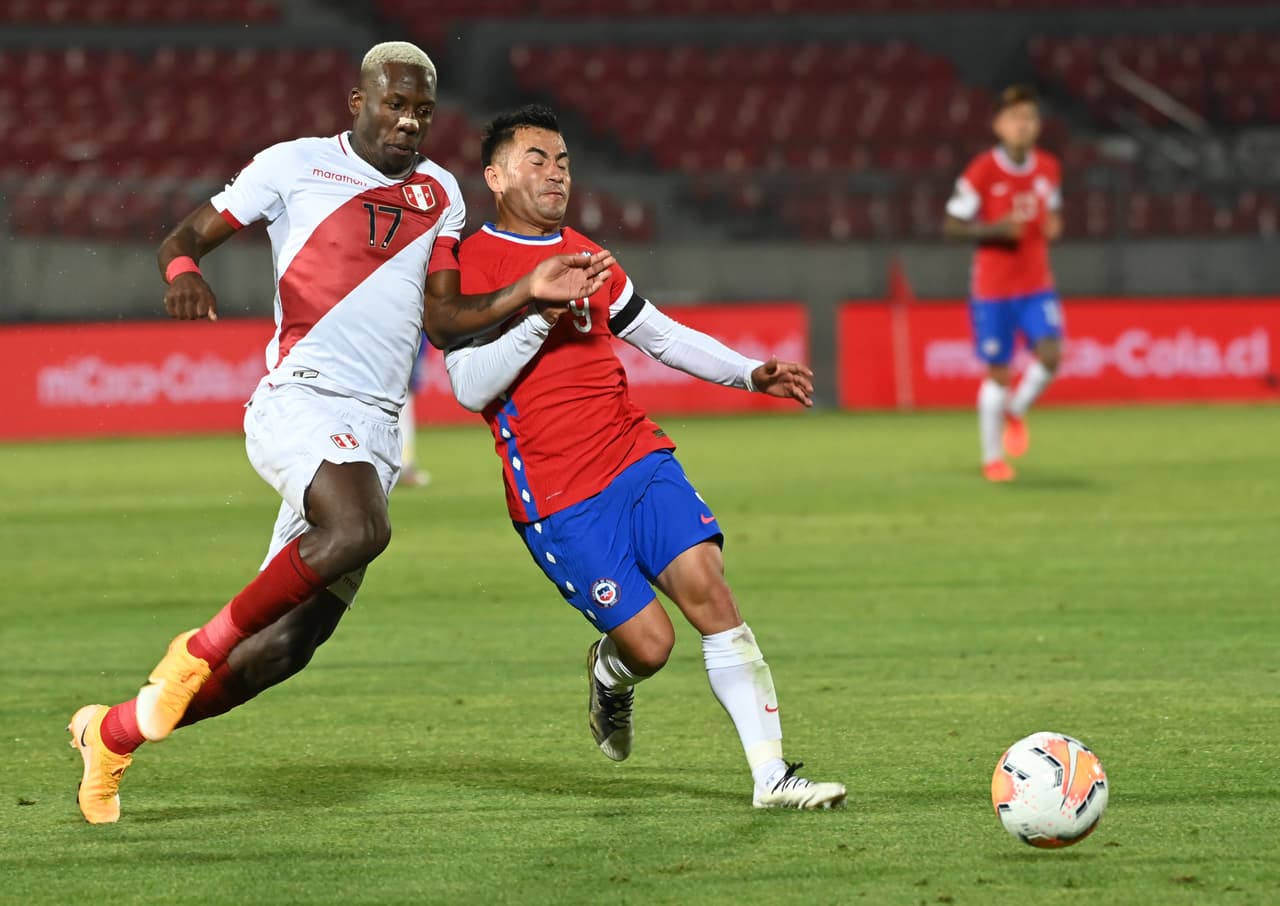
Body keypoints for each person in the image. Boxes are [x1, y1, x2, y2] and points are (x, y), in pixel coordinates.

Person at [68, 44, 614, 824]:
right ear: (355, 102)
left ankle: (112, 734)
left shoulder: (441, 194)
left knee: (283, 651)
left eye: (423, 110)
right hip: (304, 400)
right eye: (394, 104)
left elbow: (445, 321)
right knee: (360, 527)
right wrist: (183, 274)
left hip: (377, 430)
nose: (409, 122)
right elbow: (182, 237)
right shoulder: (291, 166)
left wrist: (526, 293)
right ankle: (194, 649)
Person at [445, 104, 846, 809]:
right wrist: (539, 310)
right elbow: (469, 387)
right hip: (559, 497)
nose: (555, 172)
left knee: (711, 591)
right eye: (536, 159)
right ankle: (610, 675)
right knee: (651, 645)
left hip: (635, 456)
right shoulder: (469, 265)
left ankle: (772, 778)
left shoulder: (586, 249)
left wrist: (749, 372)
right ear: (496, 175)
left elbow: (657, 332)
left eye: (563, 160)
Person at [943, 84, 1064, 483]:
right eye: (1015, 118)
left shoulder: (1048, 167)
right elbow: (951, 226)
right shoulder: (982, 170)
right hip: (993, 289)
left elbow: (1054, 211)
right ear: (998, 125)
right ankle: (993, 458)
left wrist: (1054, 225)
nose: (1023, 125)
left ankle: (1016, 409)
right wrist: (993, 229)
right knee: (999, 373)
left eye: (1030, 117)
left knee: (1050, 355)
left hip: (1035, 284)